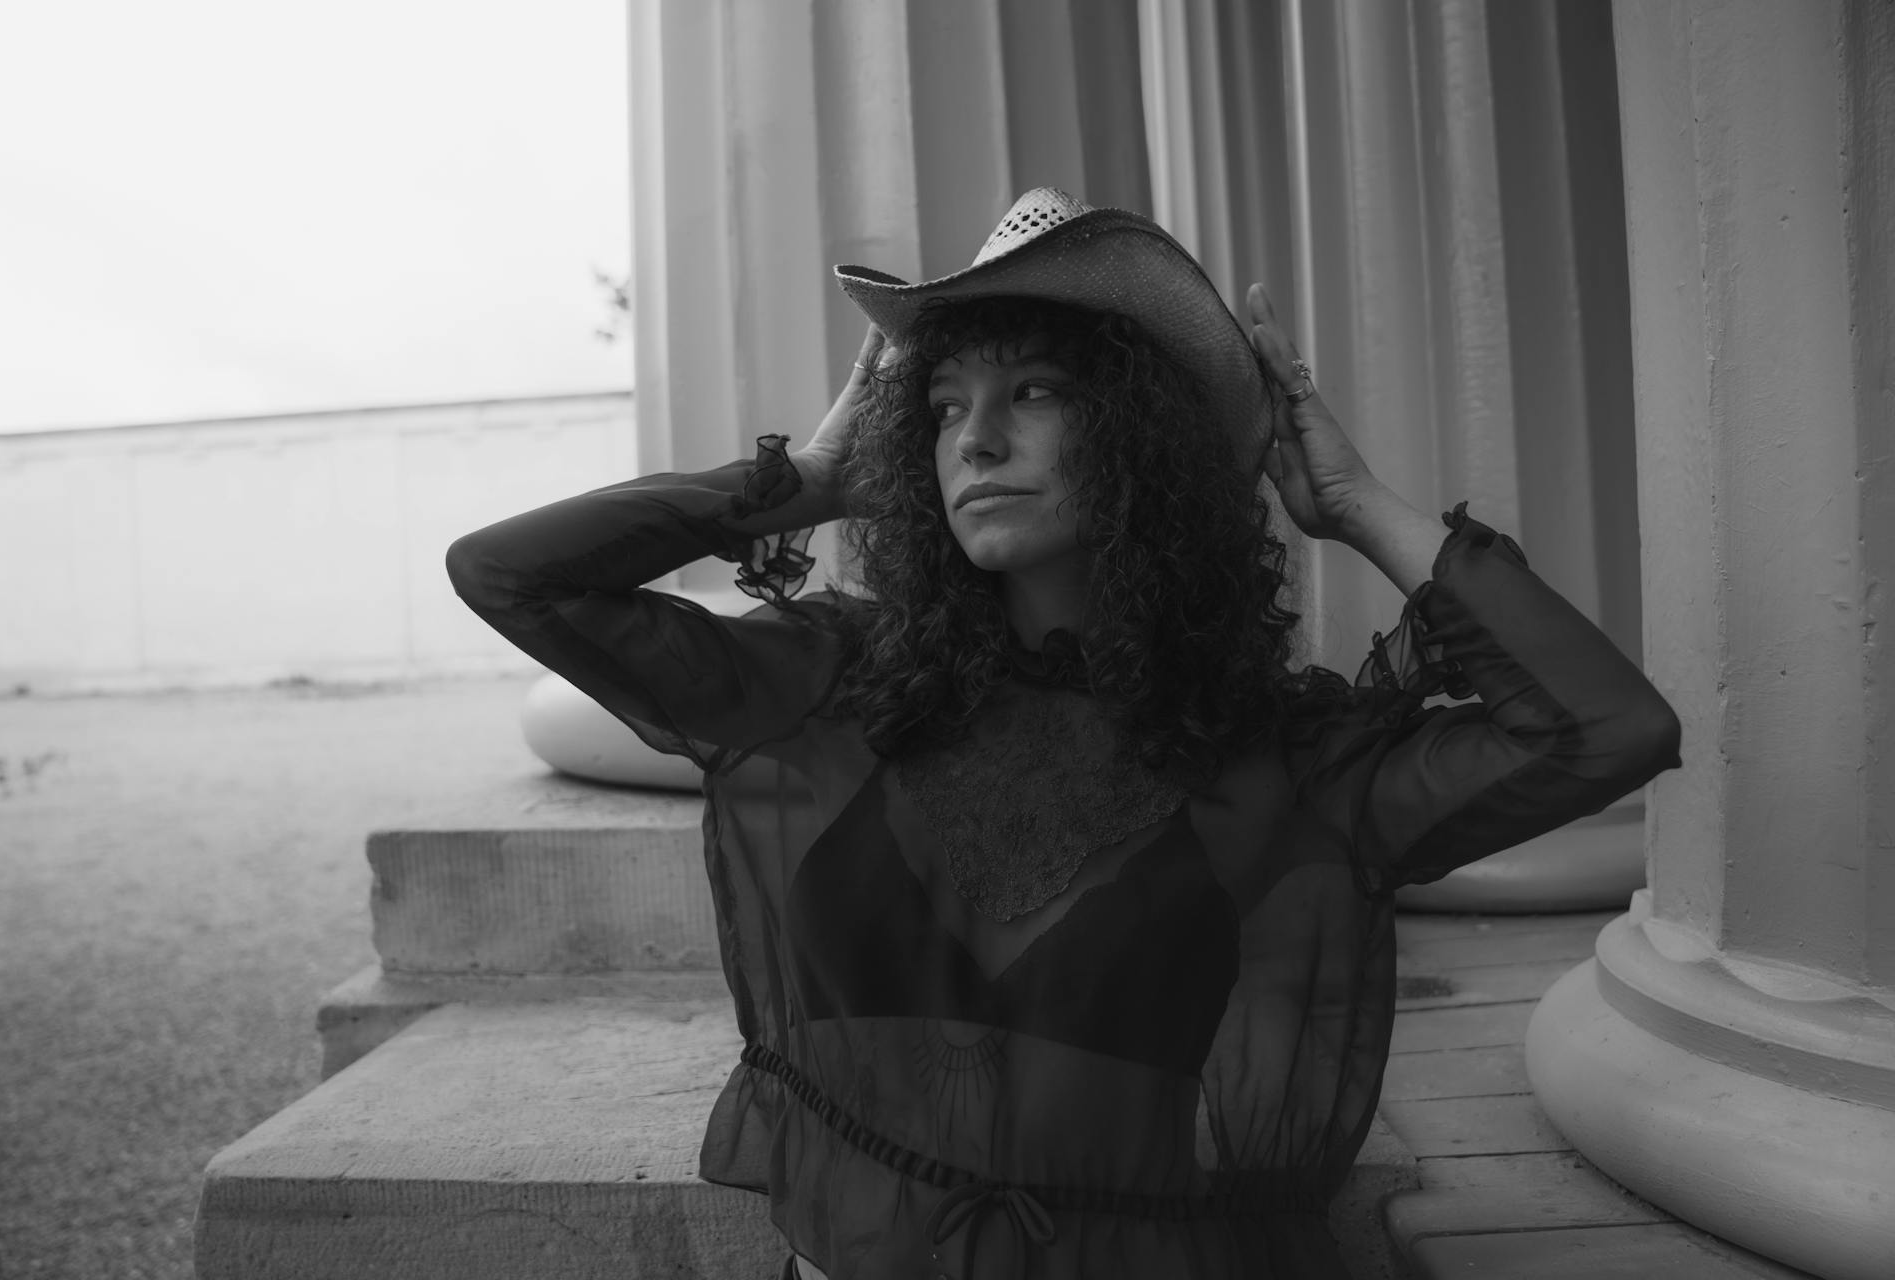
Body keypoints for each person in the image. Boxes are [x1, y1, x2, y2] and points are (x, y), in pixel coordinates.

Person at [446, 188, 1682, 1280]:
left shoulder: (1286, 760)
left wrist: (1355, 506)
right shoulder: (833, 681)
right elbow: (510, 575)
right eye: (941, 407)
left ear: (1143, 439)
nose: (974, 439)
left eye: (1033, 391)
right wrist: (805, 482)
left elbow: (1605, 729)